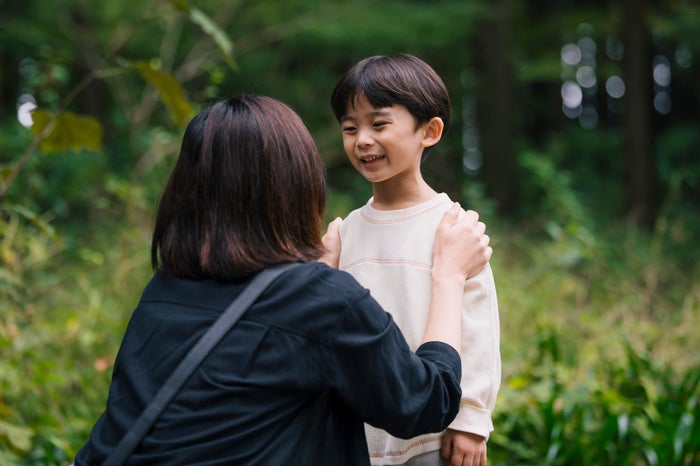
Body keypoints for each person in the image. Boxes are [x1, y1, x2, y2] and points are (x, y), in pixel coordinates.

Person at [73, 94, 492, 466]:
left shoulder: (165, 289)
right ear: (293, 182)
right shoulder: (322, 300)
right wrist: (450, 275)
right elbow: (424, 403)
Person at [330, 54, 501, 466]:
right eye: (350, 129)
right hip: (358, 435)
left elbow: (478, 326)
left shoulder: (452, 227)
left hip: (431, 436)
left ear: (430, 130)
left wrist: (471, 420)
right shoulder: (346, 231)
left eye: (379, 124)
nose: (362, 140)